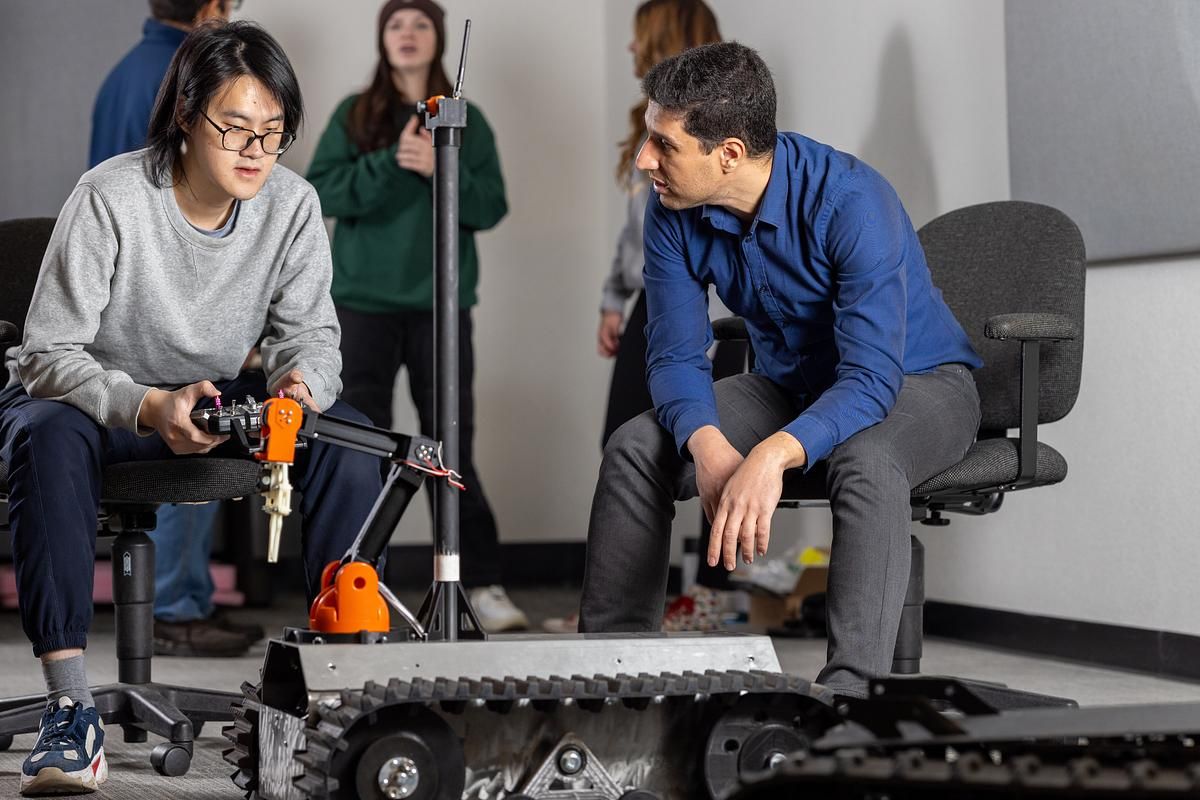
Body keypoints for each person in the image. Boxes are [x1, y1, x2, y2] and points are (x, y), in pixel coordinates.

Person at [0, 22, 383, 795]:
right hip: (92, 401)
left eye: (272, 133)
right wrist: (146, 405)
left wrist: (301, 387)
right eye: (235, 127)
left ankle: (338, 691)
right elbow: (47, 355)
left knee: (353, 439)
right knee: (45, 434)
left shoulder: (292, 206)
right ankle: (69, 709)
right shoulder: (110, 195)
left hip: (211, 401)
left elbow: (310, 335)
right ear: (184, 115)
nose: (255, 151)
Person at [578, 42, 983, 700]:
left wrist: (770, 455)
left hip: (922, 383)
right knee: (636, 448)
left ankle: (850, 701)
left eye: (662, 143)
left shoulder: (852, 201)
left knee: (868, 460)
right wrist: (707, 444)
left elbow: (871, 381)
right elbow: (675, 353)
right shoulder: (671, 207)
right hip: (791, 386)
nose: (644, 159)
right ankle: (611, 681)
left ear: (729, 154)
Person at [308, 0, 524, 631]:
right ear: (383, 39)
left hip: (441, 308)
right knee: (361, 447)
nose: (407, 34)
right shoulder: (356, 113)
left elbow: (491, 206)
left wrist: (440, 166)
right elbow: (319, 189)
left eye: (420, 25)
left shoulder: (467, 118)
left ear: (436, 41)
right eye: (396, 24)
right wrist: (390, 162)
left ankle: (480, 583)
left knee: (452, 448)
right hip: (362, 306)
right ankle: (361, 584)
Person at [91, 0, 260, 659]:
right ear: (213, 8)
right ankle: (175, 609)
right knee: (194, 437)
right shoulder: (193, 74)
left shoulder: (123, 74)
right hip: (172, 296)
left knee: (161, 436)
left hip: (123, 295)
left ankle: (170, 602)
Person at [599, 0, 722, 448]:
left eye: (642, 33)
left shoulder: (717, 132)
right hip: (651, 297)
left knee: (713, 446)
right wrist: (615, 296)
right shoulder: (649, 124)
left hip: (706, 304)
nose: (632, 45)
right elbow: (640, 224)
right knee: (625, 443)